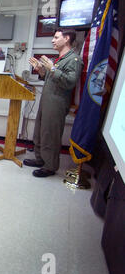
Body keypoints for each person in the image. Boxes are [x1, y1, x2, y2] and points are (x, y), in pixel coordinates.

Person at [26, 29, 83, 178]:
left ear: (67, 39)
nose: (53, 40)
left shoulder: (74, 60)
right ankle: (40, 159)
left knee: (50, 134)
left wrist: (51, 68)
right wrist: (41, 70)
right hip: (47, 100)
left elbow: (70, 82)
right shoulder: (58, 59)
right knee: (39, 131)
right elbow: (50, 80)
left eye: (56, 37)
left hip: (57, 103)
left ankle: (50, 166)